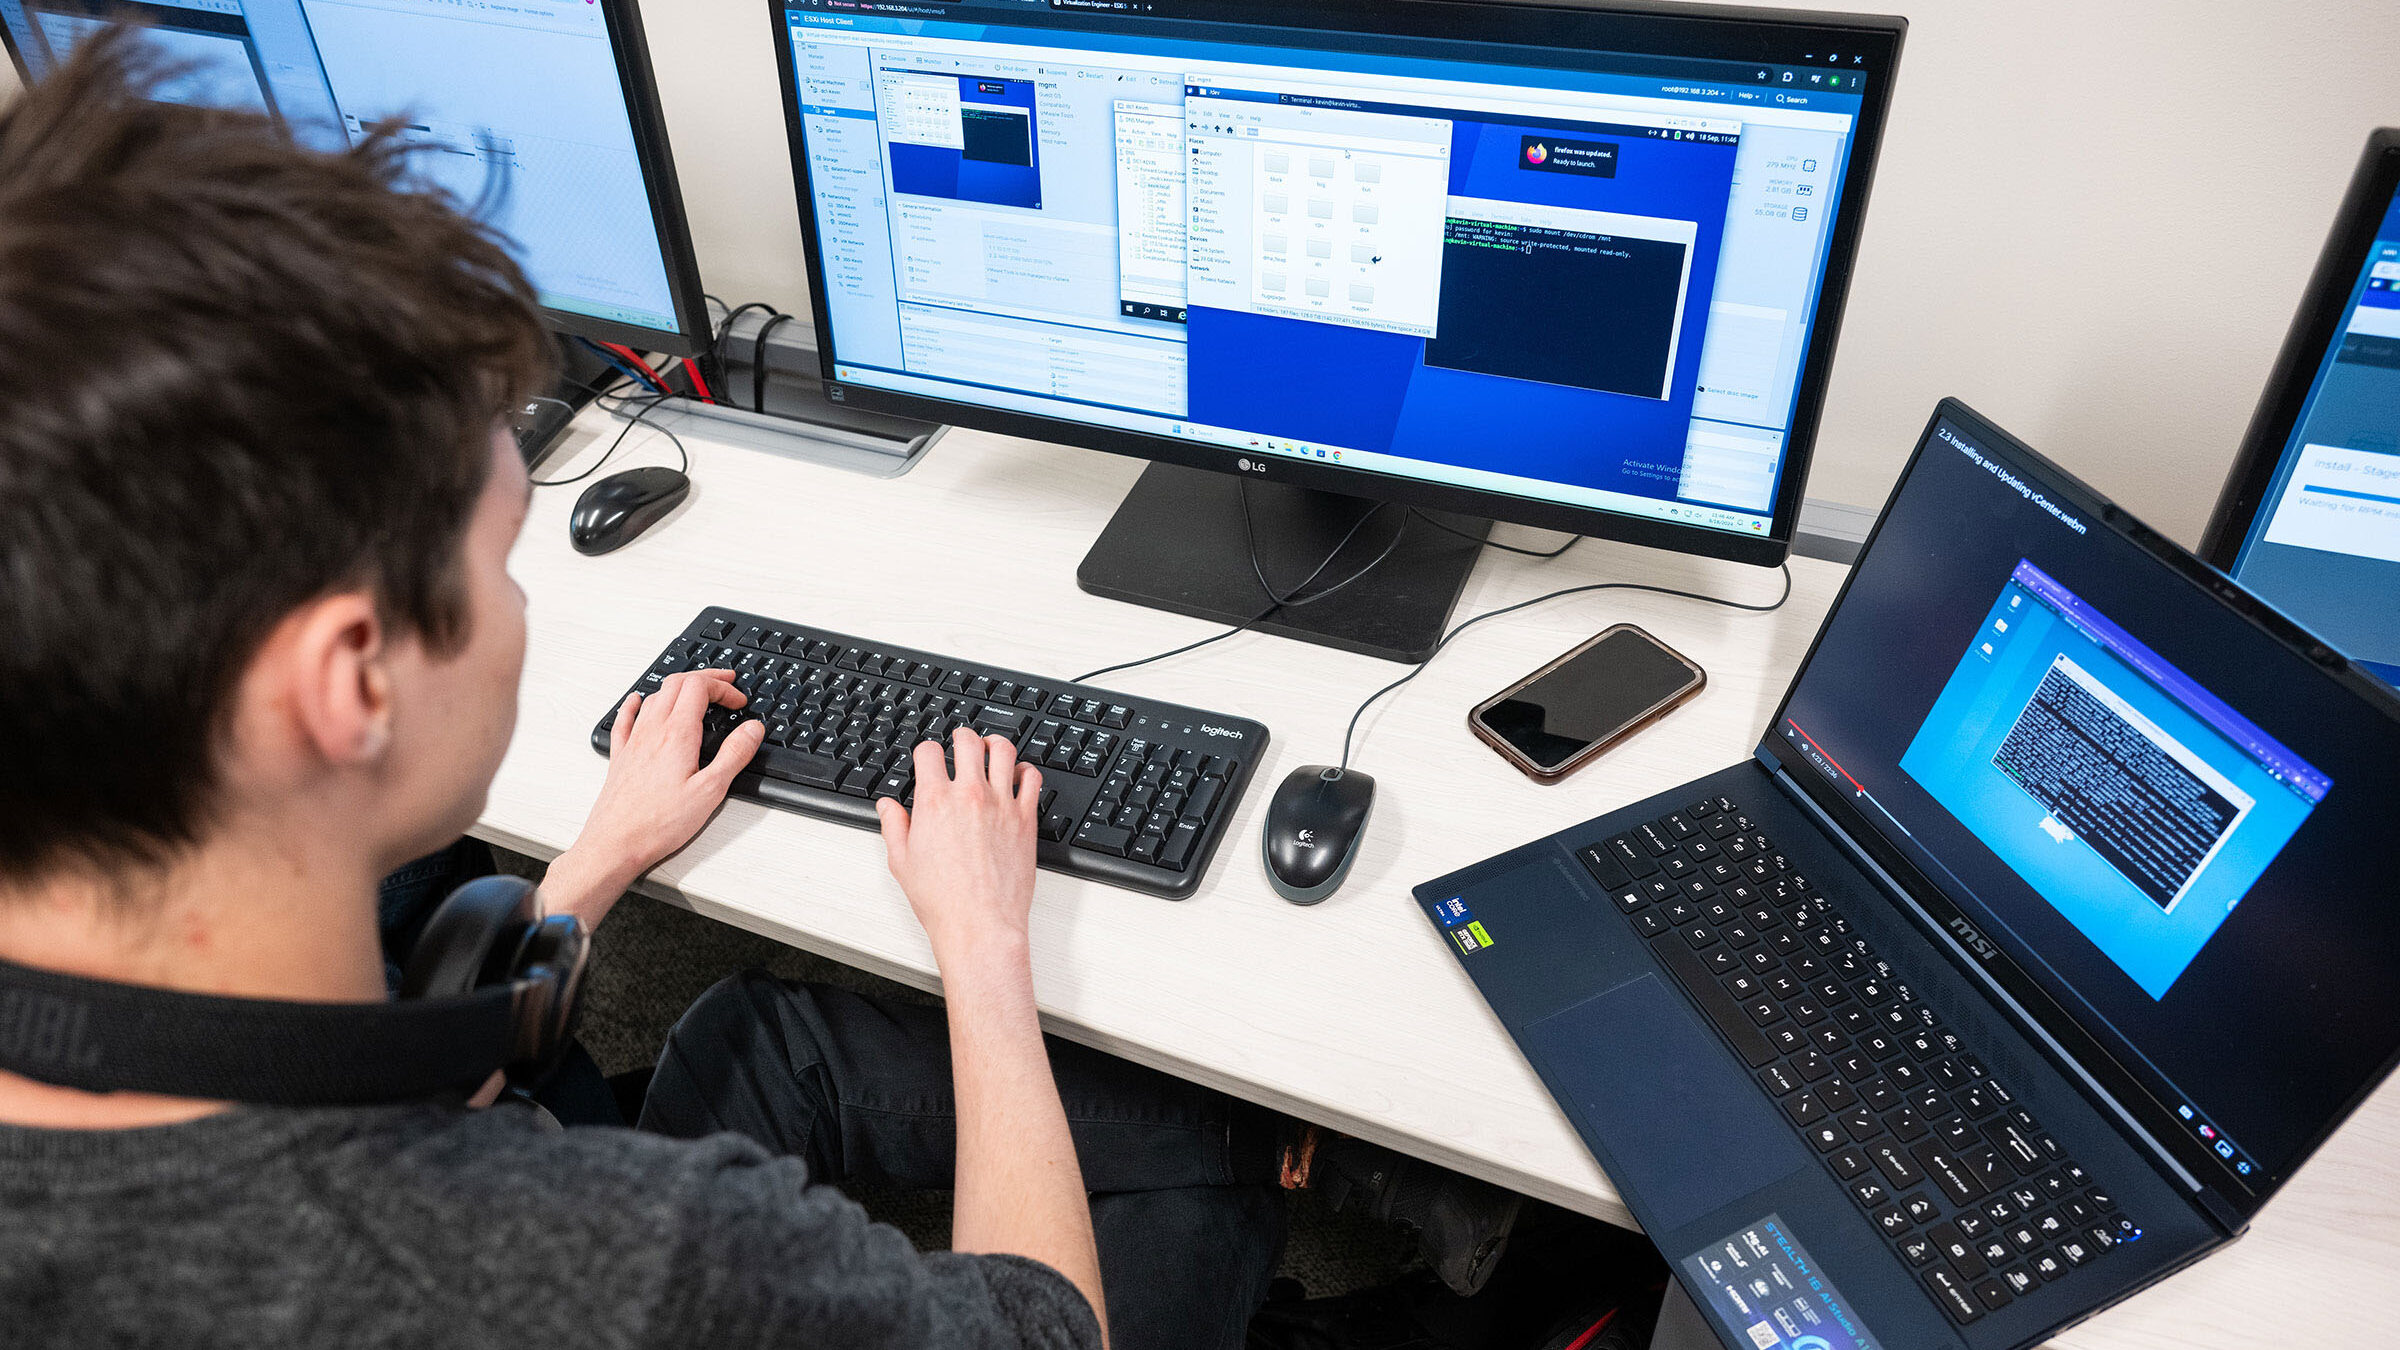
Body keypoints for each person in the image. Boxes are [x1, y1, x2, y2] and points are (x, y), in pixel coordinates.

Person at [0, 37, 1512, 1350]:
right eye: (497, 554)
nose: (521, 603)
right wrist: (983, 944)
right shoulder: (622, 1259)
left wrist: (596, 856)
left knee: (757, 1032)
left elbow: (344, 1109)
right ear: (350, 678)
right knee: (1180, 1170)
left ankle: (1289, 1146)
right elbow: (1034, 1325)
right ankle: (1291, 1164)